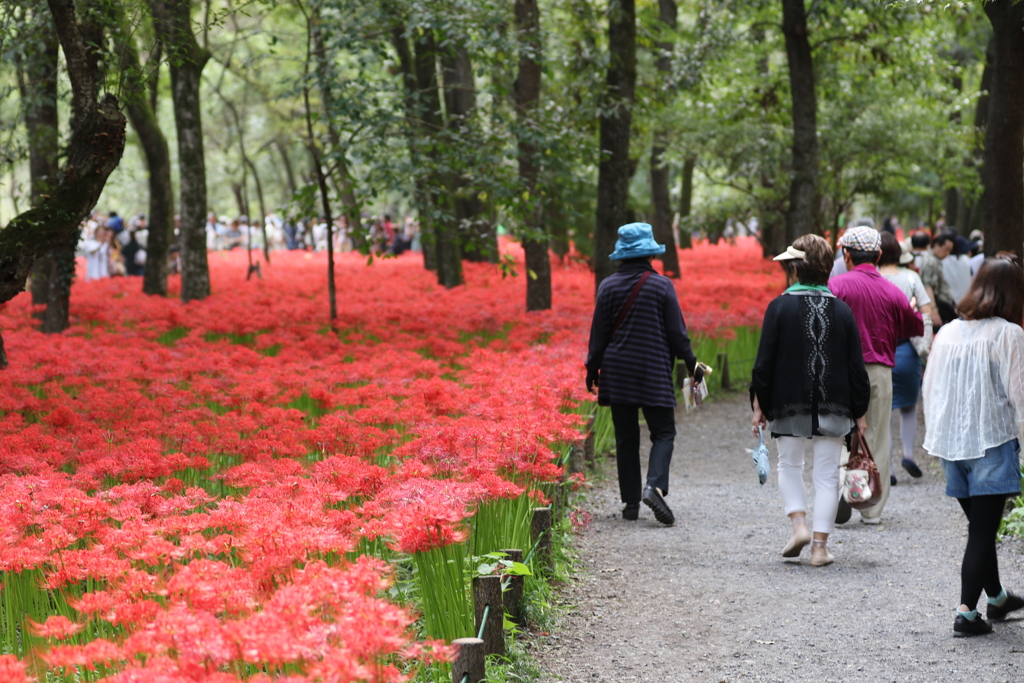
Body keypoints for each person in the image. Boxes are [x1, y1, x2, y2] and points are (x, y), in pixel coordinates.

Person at [751, 235, 869, 566]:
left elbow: (763, 365)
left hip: (788, 402)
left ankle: (799, 526)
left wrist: (759, 406)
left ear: (795, 268)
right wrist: (860, 413)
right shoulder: (842, 310)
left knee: (789, 464)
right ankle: (819, 548)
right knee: (828, 474)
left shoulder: (778, 307)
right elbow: (857, 370)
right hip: (836, 405)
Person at [922, 257, 1024, 636]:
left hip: (953, 447)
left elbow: (930, 388)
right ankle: (966, 613)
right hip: (991, 445)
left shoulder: (948, 332)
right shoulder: (1008, 334)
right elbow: (1020, 398)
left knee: (982, 526)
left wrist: (936, 438)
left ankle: (996, 598)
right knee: (981, 532)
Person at [586, 223, 702, 526]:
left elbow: (598, 334)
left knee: (626, 438)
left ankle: (630, 505)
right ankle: (654, 486)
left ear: (622, 255)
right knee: (663, 433)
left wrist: (592, 369)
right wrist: (692, 365)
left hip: (618, 370)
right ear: (650, 253)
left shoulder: (607, 286)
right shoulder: (662, 286)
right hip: (653, 369)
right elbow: (678, 334)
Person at [829, 226, 924, 524]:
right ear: (879, 254)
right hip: (880, 370)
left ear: (846, 254)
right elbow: (915, 328)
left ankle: (842, 486)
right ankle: (871, 511)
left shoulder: (836, 286)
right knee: (877, 436)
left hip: (842, 370)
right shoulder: (892, 290)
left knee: (840, 433)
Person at [877, 233, 933, 483]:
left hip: (878, 350)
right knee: (909, 406)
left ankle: (887, 468)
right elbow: (926, 310)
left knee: (882, 411)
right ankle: (909, 454)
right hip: (907, 349)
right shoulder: (911, 277)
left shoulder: (872, 278)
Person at [920, 232, 957, 326]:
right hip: (939, 305)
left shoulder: (934, 260)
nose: (948, 253)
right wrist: (934, 310)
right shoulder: (930, 261)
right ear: (936, 245)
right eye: (946, 249)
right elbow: (928, 287)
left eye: (950, 251)